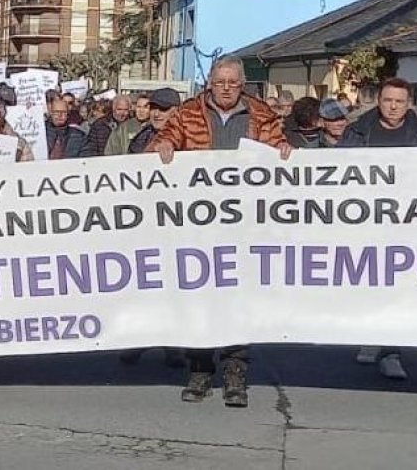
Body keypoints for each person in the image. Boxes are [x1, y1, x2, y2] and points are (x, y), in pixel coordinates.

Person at [149, 57, 290, 407]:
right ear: (209, 82)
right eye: (220, 81)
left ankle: (235, 372)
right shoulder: (187, 113)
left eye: (233, 82)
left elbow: (278, 149)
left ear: (242, 84)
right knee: (198, 296)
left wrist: (284, 152)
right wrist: (163, 147)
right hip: (198, 226)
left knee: (238, 300)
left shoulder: (262, 116)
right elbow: (164, 140)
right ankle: (199, 369)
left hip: (244, 226)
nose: (226, 88)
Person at [340, 77, 417, 381]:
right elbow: (339, 172)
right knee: (367, 283)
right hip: (366, 221)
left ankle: (392, 351)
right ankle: (370, 337)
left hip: (406, 224)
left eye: (399, 101)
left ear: (408, 104)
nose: (393, 107)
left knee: (399, 288)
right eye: (387, 100)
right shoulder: (357, 131)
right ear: (378, 101)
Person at [118, 87, 185, 368]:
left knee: (173, 288)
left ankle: (174, 345)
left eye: (164, 109)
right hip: (144, 224)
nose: (157, 113)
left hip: (176, 225)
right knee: (142, 286)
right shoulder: (142, 138)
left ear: (177, 112)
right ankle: (140, 338)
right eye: (154, 108)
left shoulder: (189, 142)